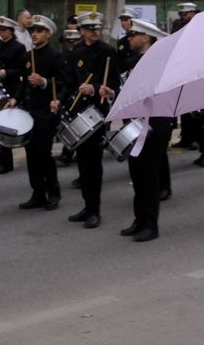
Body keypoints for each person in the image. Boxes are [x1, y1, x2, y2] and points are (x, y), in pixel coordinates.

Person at [65, 12, 120, 230]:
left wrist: (96, 88)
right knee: (82, 162)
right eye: (90, 29)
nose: (94, 32)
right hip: (79, 111)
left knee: (93, 164)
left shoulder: (108, 51)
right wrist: (62, 100)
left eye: (97, 28)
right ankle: (87, 206)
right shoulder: (76, 52)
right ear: (82, 31)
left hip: (97, 112)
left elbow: (114, 81)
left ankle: (94, 211)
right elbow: (69, 81)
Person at [119, 19, 171, 241]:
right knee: (137, 175)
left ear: (146, 37)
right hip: (135, 124)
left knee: (148, 176)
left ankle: (150, 224)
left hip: (155, 125)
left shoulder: (159, 62)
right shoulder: (133, 60)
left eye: (133, 35)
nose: (129, 38)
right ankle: (140, 219)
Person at [16, 16, 65, 211]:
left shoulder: (55, 56)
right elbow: (23, 83)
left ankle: (53, 192)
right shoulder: (27, 56)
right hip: (29, 111)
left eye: (39, 31)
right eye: (32, 31)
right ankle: (37, 193)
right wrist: (15, 99)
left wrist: (44, 82)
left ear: (48, 34)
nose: (34, 34)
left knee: (44, 155)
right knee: (31, 154)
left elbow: (63, 84)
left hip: (46, 112)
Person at [0, 16, 28, 176]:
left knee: (10, 125)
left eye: (4, 30)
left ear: (10, 31)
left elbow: (23, 70)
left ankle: (9, 161)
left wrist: (6, 73)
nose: (1, 32)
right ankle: (5, 162)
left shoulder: (19, 47)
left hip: (13, 89)